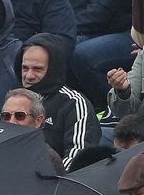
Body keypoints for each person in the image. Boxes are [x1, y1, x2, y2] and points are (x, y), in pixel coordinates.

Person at [16, 34, 95, 169]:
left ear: (53, 68)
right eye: (25, 68)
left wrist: (47, 178)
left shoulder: (74, 103)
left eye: (37, 69)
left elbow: (77, 157)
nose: (29, 76)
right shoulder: (14, 99)